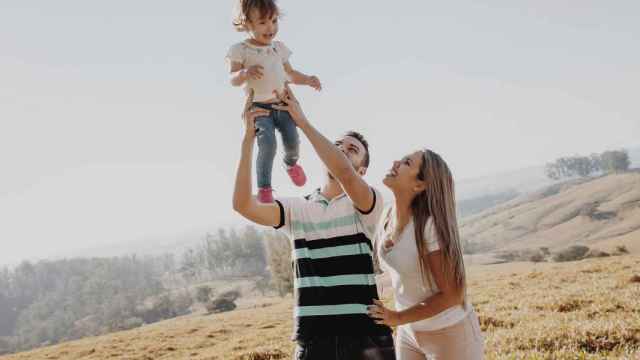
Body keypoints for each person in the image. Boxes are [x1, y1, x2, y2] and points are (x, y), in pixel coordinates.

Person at [232, 86, 395, 359]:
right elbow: (242, 205)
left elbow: (343, 170)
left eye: (351, 149)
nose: (341, 151)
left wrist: (301, 122)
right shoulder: (296, 209)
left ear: (363, 170)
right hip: (313, 341)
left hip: (365, 339)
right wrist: (249, 139)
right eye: (337, 146)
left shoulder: (368, 203)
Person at [366, 149, 485, 359]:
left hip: (450, 333)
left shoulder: (429, 226)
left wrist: (398, 317)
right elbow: (399, 269)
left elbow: (453, 294)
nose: (395, 162)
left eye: (406, 162)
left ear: (419, 185)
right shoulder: (387, 215)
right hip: (409, 333)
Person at [226, 0, 322, 203]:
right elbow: (232, 79)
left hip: (282, 104)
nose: (270, 27)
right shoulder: (240, 50)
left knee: (292, 140)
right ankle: (265, 188)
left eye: (274, 20)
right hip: (259, 109)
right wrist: (244, 73)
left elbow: (291, 74)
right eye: (262, 22)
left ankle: (291, 163)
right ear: (247, 24)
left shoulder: (278, 48)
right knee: (267, 145)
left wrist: (307, 80)